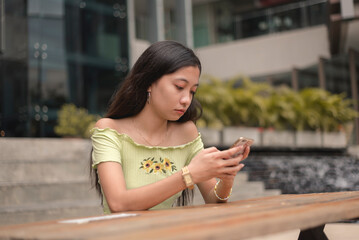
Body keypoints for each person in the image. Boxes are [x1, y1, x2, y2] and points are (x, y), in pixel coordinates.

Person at [90, 40, 250, 214]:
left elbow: (213, 198)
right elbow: (119, 203)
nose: (186, 100)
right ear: (149, 82)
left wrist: (226, 178)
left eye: (192, 91)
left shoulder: (186, 133)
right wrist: (188, 175)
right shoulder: (109, 131)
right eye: (179, 87)